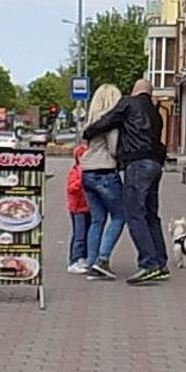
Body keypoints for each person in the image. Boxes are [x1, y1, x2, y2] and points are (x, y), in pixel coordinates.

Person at [82, 78, 169, 285]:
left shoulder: (129, 103)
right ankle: (160, 263)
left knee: (134, 214)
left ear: (134, 90)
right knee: (151, 215)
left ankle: (148, 264)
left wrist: (88, 132)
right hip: (155, 164)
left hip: (137, 164)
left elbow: (107, 121)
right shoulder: (156, 113)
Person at [78, 84, 127, 280]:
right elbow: (113, 148)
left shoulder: (91, 120)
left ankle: (91, 262)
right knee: (119, 216)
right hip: (105, 171)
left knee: (97, 220)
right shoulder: (110, 120)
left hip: (87, 171)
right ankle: (103, 260)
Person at [65, 143, 91, 274]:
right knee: (79, 234)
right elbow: (71, 188)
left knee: (86, 233)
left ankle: (83, 258)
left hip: (87, 207)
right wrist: (81, 180)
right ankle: (74, 260)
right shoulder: (75, 172)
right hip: (77, 208)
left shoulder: (88, 172)